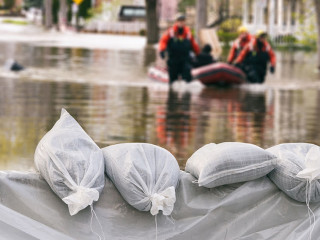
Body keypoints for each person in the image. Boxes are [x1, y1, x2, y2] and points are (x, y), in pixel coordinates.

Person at [159, 14, 200, 84]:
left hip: (185, 59)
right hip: (173, 59)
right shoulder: (170, 32)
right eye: (179, 21)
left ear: (184, 22)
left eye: (183, 21)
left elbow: (193, 44)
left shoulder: (188, 32)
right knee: (173, 80)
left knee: (187, 77)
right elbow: (163, 41)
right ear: (176, 22)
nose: (181, 22)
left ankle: (187, 93)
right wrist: (162, 50)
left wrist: (198, 54)